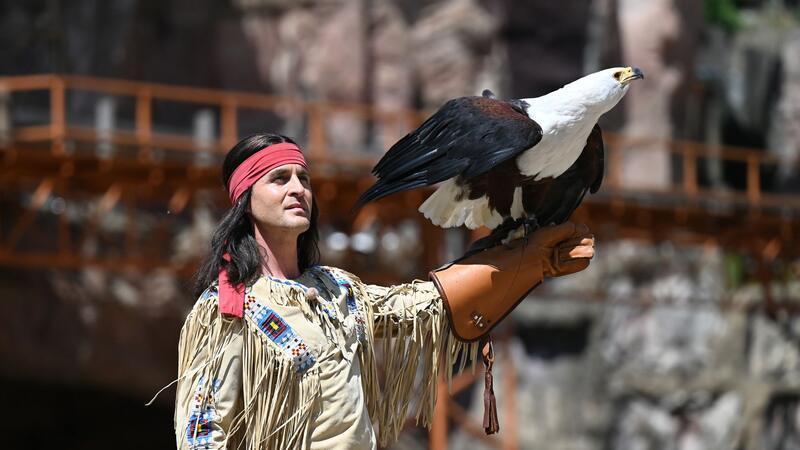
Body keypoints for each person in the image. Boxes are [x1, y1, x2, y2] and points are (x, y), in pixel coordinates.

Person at [173, 133, 595, 449]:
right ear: (246, 200)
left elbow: (420, 307)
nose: (298, 188)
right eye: (279, 179)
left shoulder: (336, 289)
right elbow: (201, 432)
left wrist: (523, 264)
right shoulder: (227, 310)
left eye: (303, 177)